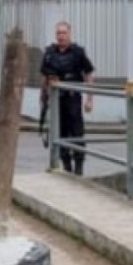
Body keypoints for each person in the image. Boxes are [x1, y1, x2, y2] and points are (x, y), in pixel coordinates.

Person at [40, 21, 94, 173]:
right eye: (58, 33)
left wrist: (89, 99)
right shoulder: (50, 53)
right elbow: (44, 76)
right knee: (60, 133)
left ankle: (79, 168)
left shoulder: (78, 52)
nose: (61, 36)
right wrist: (42, 97)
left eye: (64, 33)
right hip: (57, 100)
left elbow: (88, 73)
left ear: (69, 34)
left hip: (73, 99)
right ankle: (66, 167)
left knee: (77, 132)